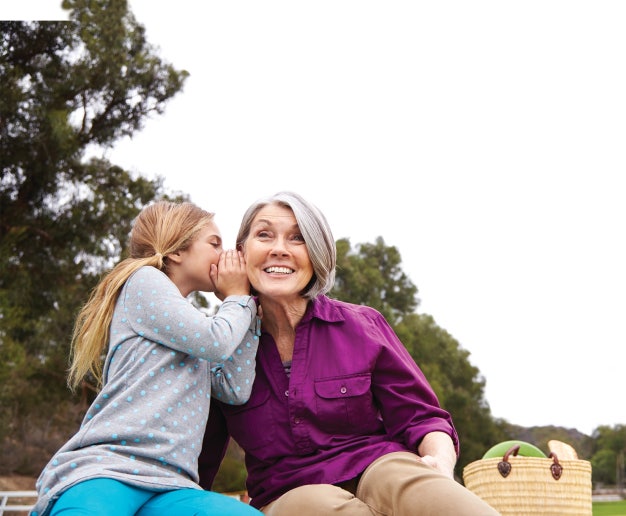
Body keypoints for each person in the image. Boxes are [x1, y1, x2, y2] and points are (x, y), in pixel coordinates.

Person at [198, 191, 499, 515]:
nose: (279, 249)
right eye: (264, 235)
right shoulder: (218, 344)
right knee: (318, 506)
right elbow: (197, 458)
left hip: (379, 465)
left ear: (316, 254)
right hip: (288, 491)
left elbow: (422, 417)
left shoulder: (361, 325)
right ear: (241, 253)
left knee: (431, 493)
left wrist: (439, 462)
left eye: (298, 238)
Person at [31, 201, 264, 516]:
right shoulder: (144, 282)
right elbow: (216, 342)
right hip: (110, 470)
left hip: (171, 484)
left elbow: (233, 389)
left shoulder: (190, 329)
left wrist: (251, 315)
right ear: (176, 252)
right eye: (214, 243)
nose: (225, 255)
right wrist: (238, 298)